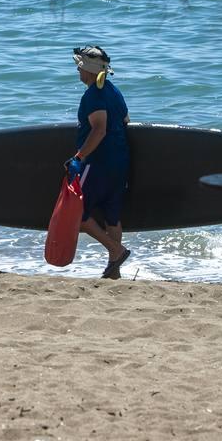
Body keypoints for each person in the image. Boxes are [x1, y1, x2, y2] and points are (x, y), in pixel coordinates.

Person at [69, 44, 132, 279]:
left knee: (77, 215)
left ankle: (116, 251)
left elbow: (99, 130)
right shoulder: (114, 91)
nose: (78, 72)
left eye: (80, 68)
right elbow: (125, 119)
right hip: (120, 162)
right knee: (112, 217)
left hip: (97, 164)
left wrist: (79, 157)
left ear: (90, 70)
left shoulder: (94, 95)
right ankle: (114, 269)